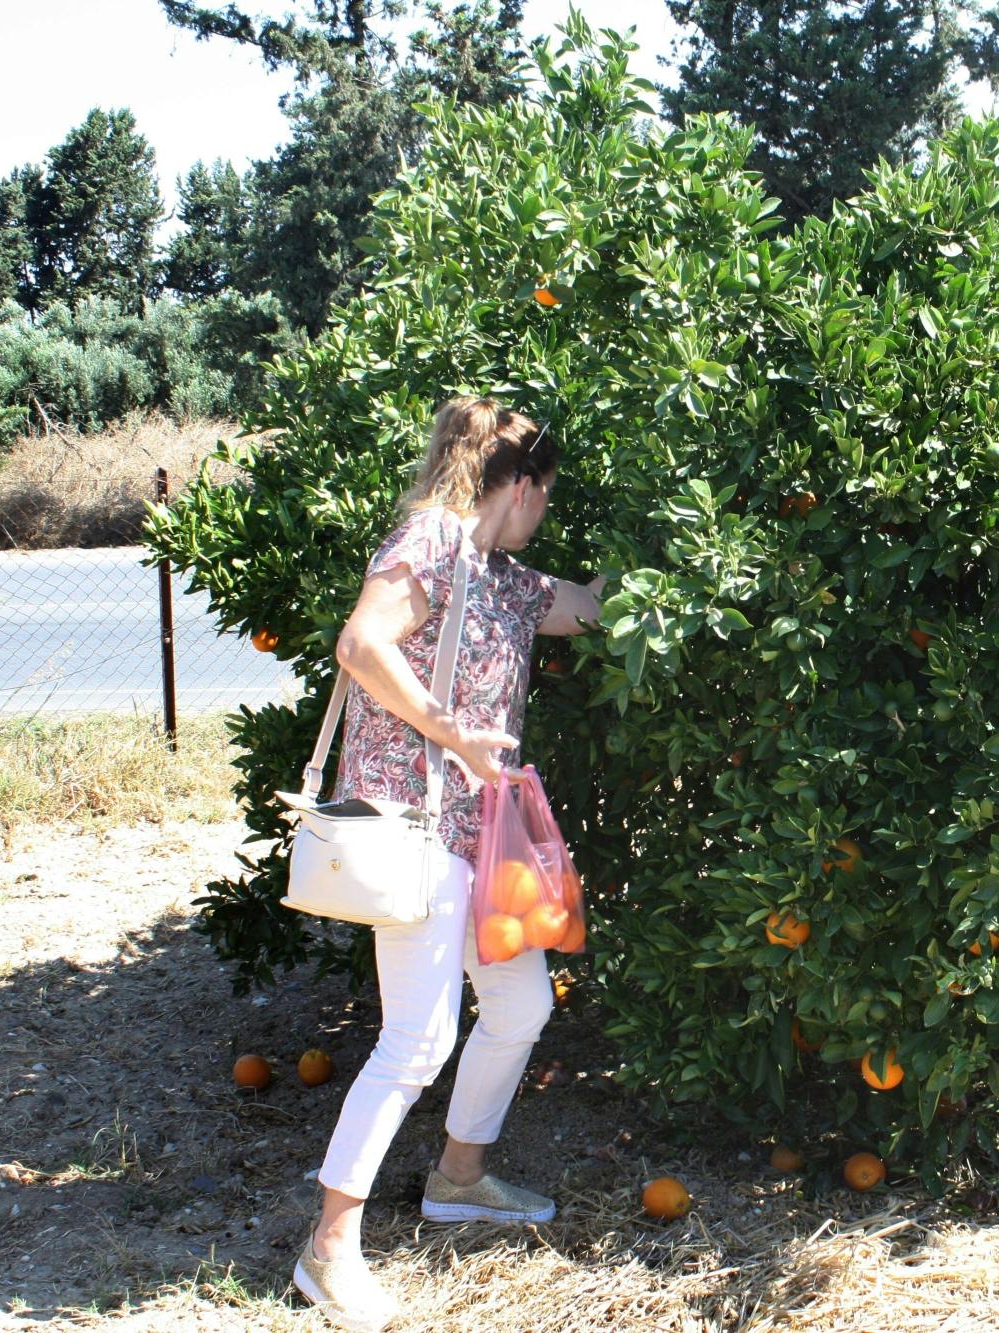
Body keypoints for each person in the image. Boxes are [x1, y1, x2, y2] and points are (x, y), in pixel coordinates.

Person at [292, 396, 601, 1331]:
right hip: (414, 825)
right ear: (520, 486)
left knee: (519, 1004)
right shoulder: (430, 539)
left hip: (480, 836)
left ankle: (459, 1178)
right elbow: (361, 642)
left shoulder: (504, 578)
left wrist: (699, 580)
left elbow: (583, 608)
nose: (546, 512)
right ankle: (328, 1249)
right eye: (545, 496)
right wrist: (448, 730)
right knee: (418, 1039)